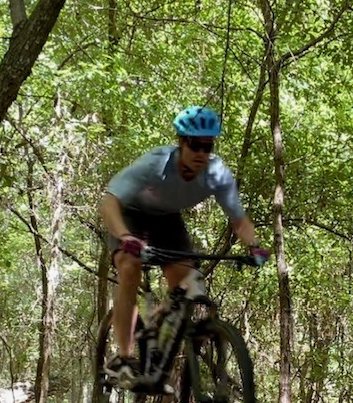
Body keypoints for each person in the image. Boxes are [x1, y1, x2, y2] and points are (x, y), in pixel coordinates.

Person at [98, 105, 269, 388]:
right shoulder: (155, 164)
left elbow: (239, 220)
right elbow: (109, 201)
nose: (201, 152)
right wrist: (125, 236)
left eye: (208, 145)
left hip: (167, 220)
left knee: (188, 283)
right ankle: (125, 358)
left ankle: (158, 337)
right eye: (195, 145)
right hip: (130, 214)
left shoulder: (216, 173)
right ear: (181, 142)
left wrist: (255, 246)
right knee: (129, 268)